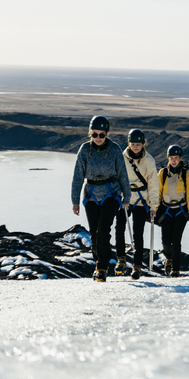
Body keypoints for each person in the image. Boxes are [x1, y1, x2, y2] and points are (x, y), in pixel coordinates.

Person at [71, 115, 131, 282]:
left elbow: (123, 174)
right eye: (94, 134)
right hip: (91, 195)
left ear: (107, 134)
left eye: (101, 135)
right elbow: (77, 176)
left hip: (111, 194)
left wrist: (127, 196)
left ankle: (102, 267)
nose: (98, 138)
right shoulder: (84, 149)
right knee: (94, 233)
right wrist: (75, 201)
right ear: (90, 133)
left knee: (104, 229)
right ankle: (99, 262)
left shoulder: (115, 149)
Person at [116, 128, 159, 279]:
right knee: (119, 227)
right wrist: (121, 197)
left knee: (138, 233)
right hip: (125, 198)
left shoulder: (149, 160)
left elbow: (153, 183)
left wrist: (153, 206)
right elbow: (118, 178)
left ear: (143, 144)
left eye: (138, 144)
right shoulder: (122, 158)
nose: (135, 147)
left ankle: (137, 266)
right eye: (133, 144)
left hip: (141, 199)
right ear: (129, 144)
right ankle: (121, 259)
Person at [157, 144, 189, 277]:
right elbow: (158, 193)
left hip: (180, 211)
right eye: (171, 158)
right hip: (166, 210)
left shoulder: (187, 175)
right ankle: (168, 258)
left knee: (176, 240)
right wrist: (154, 210)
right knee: (166, 242)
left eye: (176, 158)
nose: (174, 160)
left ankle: (175, 268)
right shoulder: (162, 174)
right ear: (168, 159)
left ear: (180, 159)